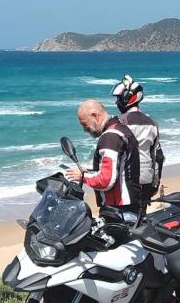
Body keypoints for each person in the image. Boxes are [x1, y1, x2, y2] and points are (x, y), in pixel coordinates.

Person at [66, 99, 141, 224]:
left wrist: (82, 176)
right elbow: (121, 169)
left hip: (120, 211)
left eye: (85, 124)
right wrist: (89, 171)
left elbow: (106, 181)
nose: (85, 129)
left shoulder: (110, 137)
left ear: (95, 116)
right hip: (130, 207)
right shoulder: (120, 128)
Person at [111, 75, 164, 213]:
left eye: (119, 99)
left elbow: (113, 153)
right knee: (141, 218)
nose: (117, 102)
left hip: (127, 180)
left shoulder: (119, 122)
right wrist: (155, 183)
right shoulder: (152, 123)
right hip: (147, 179)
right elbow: (158, 156)